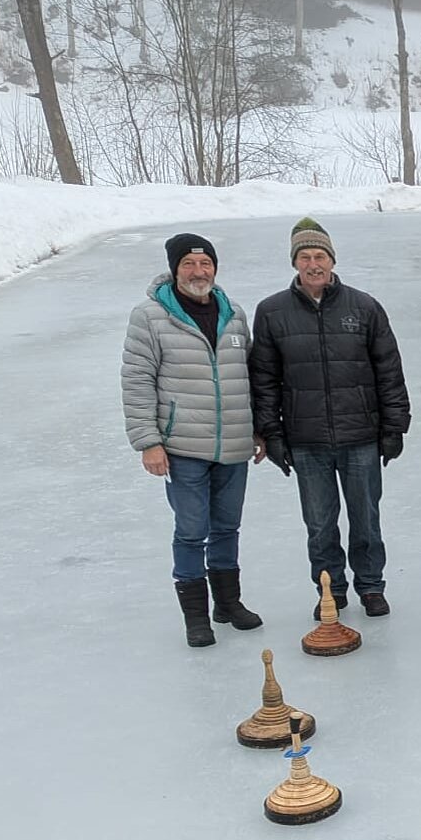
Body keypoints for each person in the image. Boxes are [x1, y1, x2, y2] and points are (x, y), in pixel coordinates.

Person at [250, 218, 410, 621]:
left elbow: (389, 370)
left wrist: (394, 428)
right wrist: (272, 433)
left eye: (319, 256)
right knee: (320, 524)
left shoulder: (364, 307)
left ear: (332, 260)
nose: (313, 264)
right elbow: (264, 379)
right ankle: (330, 589)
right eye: (305, 257)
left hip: (361, 437)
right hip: (306, 440)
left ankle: (371, 586)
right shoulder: (272, 312)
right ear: (295, 262)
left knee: (366, 520)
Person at [122, 233, 265, 647]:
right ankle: (196, 617)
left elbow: (250, 375)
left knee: (227, 527)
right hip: (182, 446)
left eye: (205, 264)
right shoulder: (150, 317)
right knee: (190, 530)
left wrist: (258, 428)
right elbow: (137, 380)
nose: (198, 272)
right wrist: (148, 441)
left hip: (234, 442)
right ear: (174, 270)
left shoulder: (233, 313)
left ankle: (228, 603)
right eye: (188, 264)